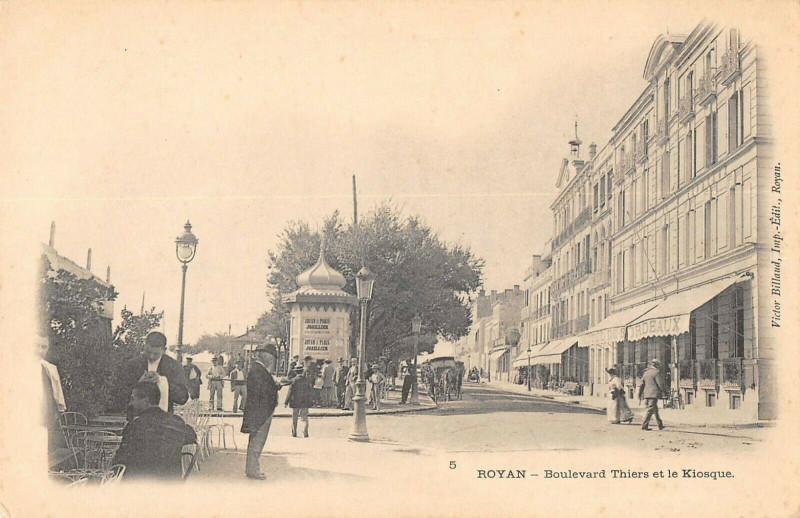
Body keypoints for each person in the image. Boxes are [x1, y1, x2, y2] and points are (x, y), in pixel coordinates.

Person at [112, 381, 197, 480]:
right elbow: (192, 436)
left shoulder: (134, 426)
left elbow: (118, 463)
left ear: (146, 400)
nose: (131, 403)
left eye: (133, 399)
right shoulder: (176, 422)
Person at [114, 331, 188, 416]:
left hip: (164, 420)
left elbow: (183, 398)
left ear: (164, 350)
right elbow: (119, 394)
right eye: (148, 352)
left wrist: (162, 382)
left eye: (156, 354)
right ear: (144, 346)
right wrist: (138, 383)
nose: (151, 356)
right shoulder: (133, 364)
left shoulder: (173, 366)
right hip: (136, 419)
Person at [241, 343, 283, 480]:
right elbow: (262, 391)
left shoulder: (258, 368)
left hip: (259, 411)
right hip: (260, 412)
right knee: (257, 441)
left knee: (256, 441)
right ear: (265, 355)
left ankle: (252, 469)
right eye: (271, 357)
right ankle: (253, 471)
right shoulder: (258, 370)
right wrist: (274, 386)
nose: (273, 360)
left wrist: (274, 385)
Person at [39, 335, 66, 453]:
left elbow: (57, 392)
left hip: (46, 415)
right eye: (36, 346)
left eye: (44, 347)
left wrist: (60, 409)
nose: (40, 351)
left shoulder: (49, 369)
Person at [285, 356, 314, 437]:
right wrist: (311, 401)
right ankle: (305, 432)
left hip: (295, 401)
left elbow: (290, 392)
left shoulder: (294, 380)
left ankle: (294, 433)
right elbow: (310, 392)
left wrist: (286, 402)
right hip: (305, 402)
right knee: (304, 417)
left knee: (294, 417)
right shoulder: (307, 381)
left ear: (296, 372)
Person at [638, 358, 666, 431]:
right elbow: (660, 384)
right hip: (654, 394)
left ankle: (660, 425)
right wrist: (665, 392)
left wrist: (640, 394)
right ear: (656, 365)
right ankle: (644, 426)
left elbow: (642, 384)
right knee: (650, 410)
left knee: (655, 410)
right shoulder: (656, 373)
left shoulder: (646, 372)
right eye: (658, 365)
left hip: (647, 393)